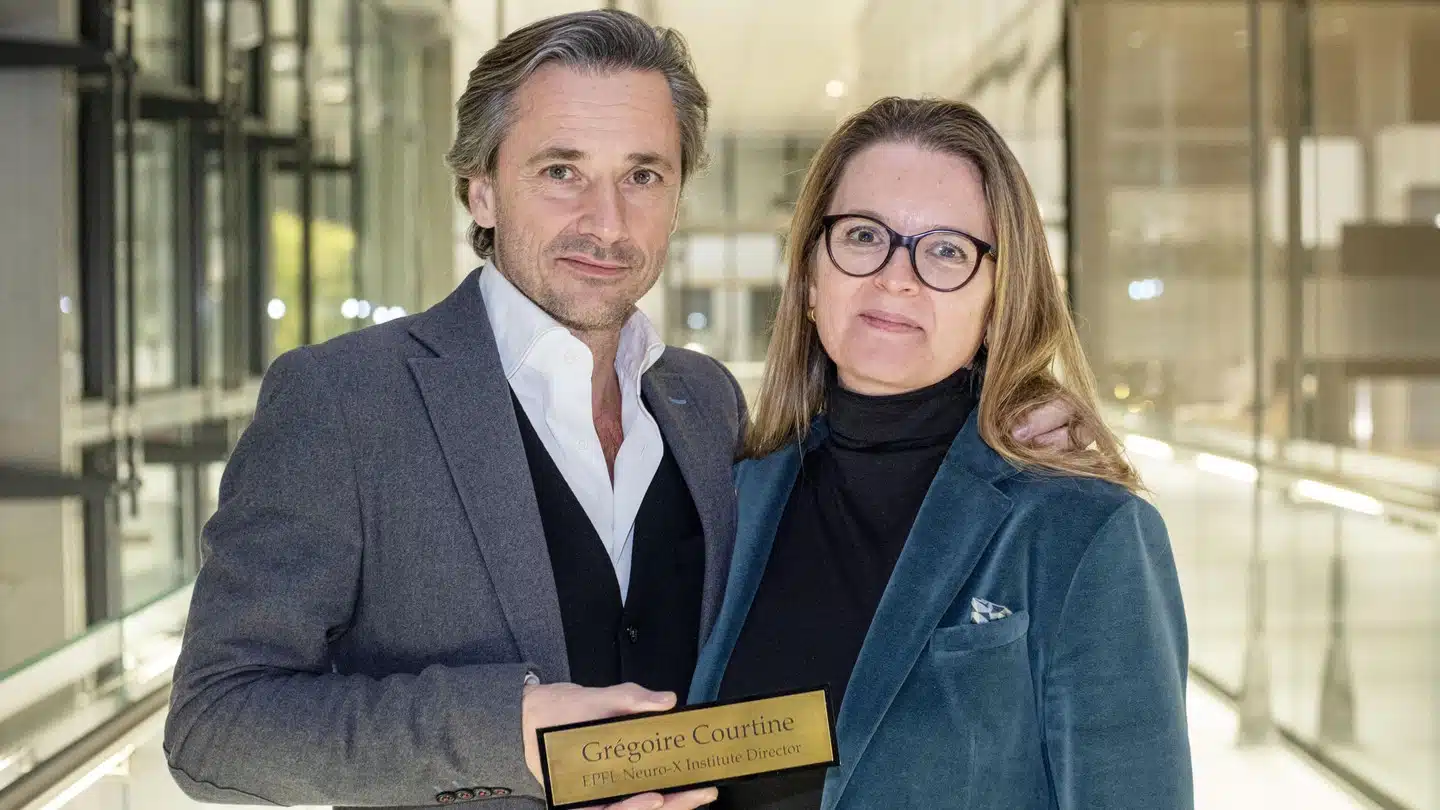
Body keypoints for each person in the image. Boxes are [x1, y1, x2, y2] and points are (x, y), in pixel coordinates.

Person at [163, 11, 1083, 810]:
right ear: (482, 188)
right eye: (562, 169)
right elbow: (215, 726)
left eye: (643, 175)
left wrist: (1002, 423)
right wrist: (506, 729)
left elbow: (860, 483)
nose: (607, 221)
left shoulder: (704, 401)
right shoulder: (349, 401)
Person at [690, 97, 1193, 810]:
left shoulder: (1083, 533)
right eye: (864, 236)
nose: (897, 276)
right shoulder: (736, 498)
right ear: (808, 276)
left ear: (998, 301)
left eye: (948, 251)